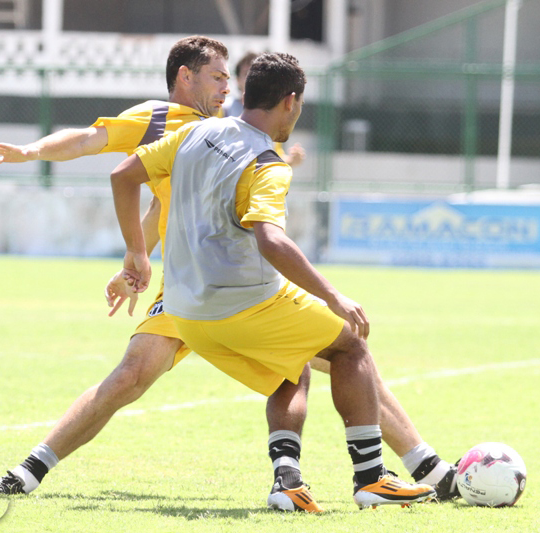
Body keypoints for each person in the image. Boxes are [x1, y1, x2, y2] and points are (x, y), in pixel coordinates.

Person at [0, 36, 458, 511]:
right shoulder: (161, 121)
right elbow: (86, 141)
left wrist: (136, 257)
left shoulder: (215, 130)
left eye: (233, 78)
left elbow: (169, 205)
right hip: (210, 289)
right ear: (184, 77)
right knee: (138, 377)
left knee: (325, 363)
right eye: (218, 76)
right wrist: (35, 153)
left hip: (189, 291)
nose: (227, 86)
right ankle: (27, 472)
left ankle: (424, 470)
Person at [109, 52, 437, 509]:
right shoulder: (269, 161)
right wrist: (333, 295)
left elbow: (122, 175)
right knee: (350, 345)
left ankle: (287, 483)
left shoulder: (195, 132)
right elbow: (271, 240)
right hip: (244, 303)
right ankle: (371, 478)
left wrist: (135, 251)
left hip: (183, 313)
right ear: (290, 101)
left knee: (292, 368)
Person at [224, 51, 305, 167]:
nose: (251, 78)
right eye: (246, 73)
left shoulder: (274, 121)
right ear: (237, 79)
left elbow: (273, 158)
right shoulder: (224, 108)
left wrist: (291, 161)